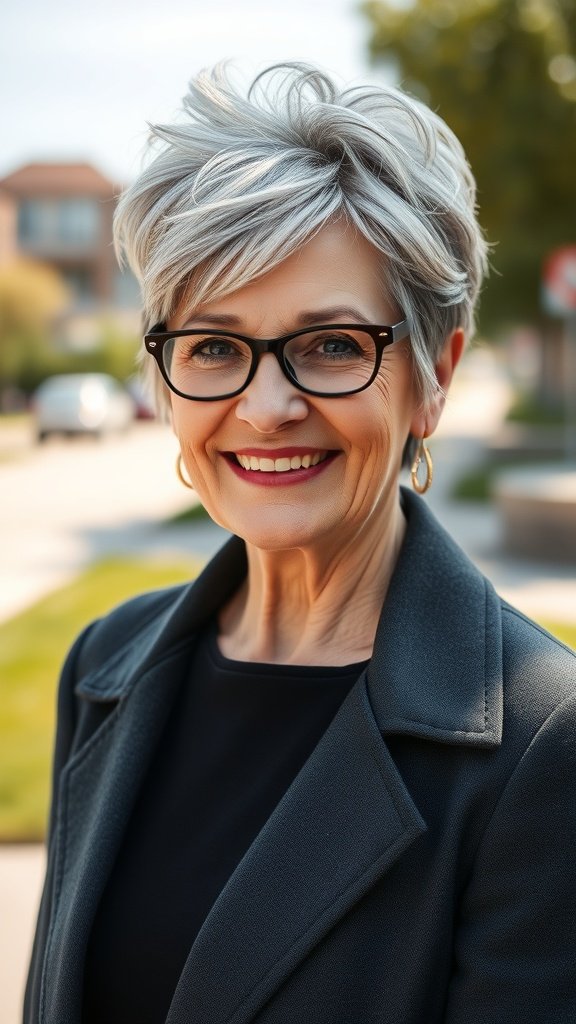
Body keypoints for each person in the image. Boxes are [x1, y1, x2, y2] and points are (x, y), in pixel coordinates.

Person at [25, 63, 575, 1024]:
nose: (267, 408)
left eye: (330, 345)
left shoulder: (544, 746)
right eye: (213, 346)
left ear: (433, 375)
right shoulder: (103, 666)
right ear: (160, 379)